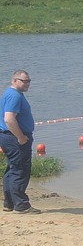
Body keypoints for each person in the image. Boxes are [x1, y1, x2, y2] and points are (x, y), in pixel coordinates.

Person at [2, 69, 39, 214]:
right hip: (14, 138)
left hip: (8, 137)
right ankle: (21, 205)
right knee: (20, 170)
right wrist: (21, 137)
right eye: (24, 81)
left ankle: (9, 203)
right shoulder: (14, 96)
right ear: (14, 80)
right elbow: (9, 119)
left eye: (29, 81)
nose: (27, 84)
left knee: (12, 169)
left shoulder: (11, 94)